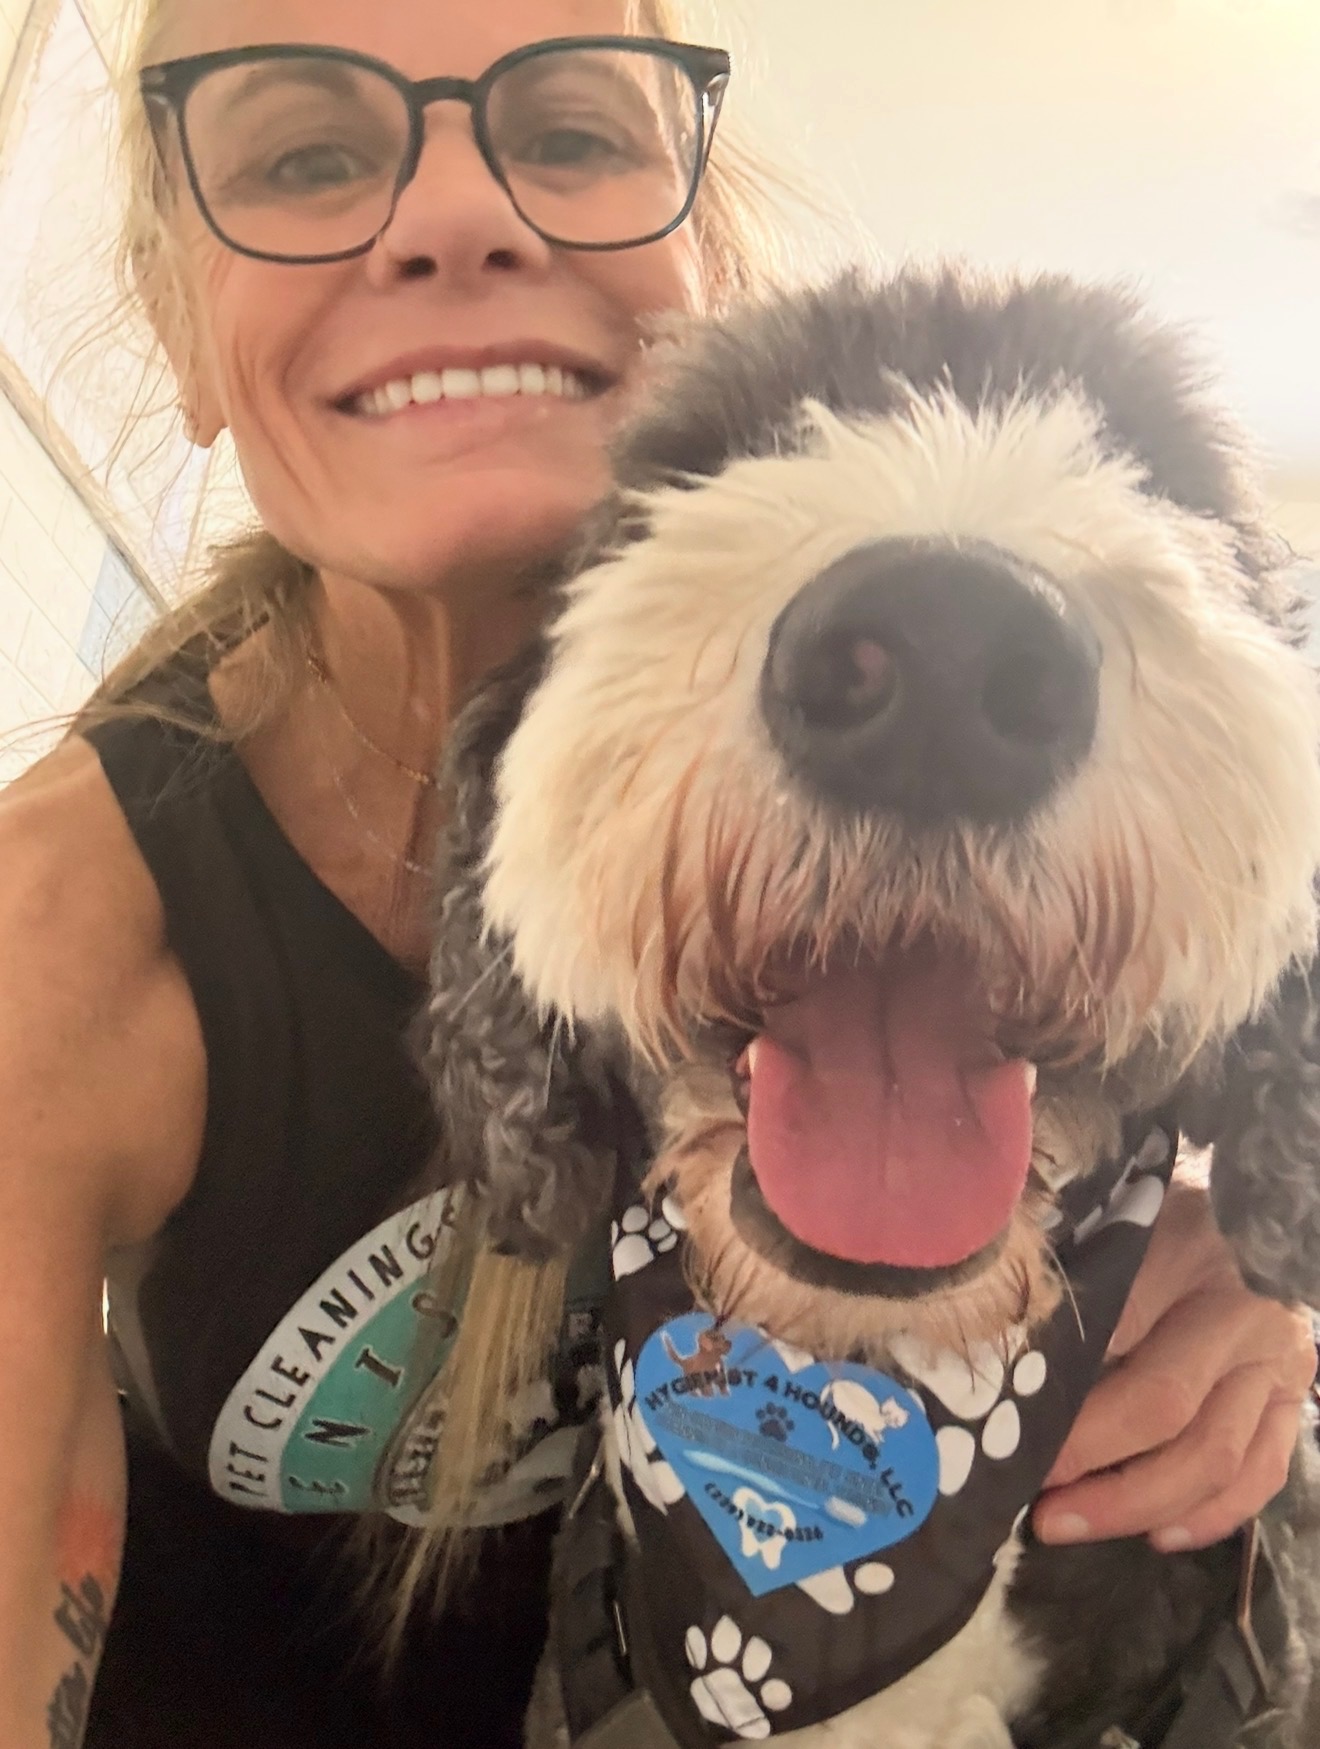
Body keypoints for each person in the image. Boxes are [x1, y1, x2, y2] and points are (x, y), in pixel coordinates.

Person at [0, 1, 1313, 1745]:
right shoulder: (56, 950)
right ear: (179, 328)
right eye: (307, 155)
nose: (452, 214)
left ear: (701, 259)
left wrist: (1270, 1250)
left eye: (566, 131)